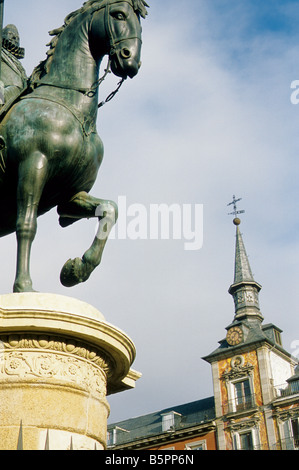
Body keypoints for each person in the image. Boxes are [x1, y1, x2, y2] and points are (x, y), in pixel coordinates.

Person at [1, 24, 27, 106]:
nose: (15, 38)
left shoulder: (17, 62)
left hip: (21, 92)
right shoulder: (2, 53)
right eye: (10, 34)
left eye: (17, 37)